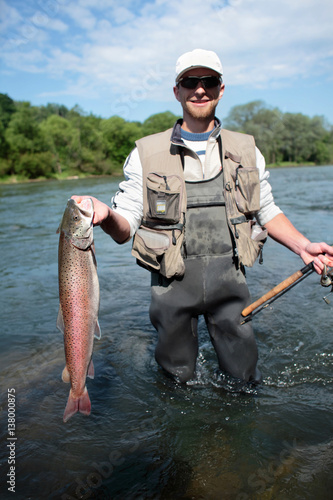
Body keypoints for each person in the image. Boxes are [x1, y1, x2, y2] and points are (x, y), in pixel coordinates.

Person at [73, 49, 333, 385]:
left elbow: (266, 209)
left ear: (221, 89)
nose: (200, 89)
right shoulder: (145, 153)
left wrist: (303, 246)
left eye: (208, 81)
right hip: (171, 293)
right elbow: (125, 228)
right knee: (175, 387)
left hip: (231, 290)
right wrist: (107, 214)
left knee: (244, 383)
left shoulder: (247, 149)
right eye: (190, 82)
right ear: (177, 91)